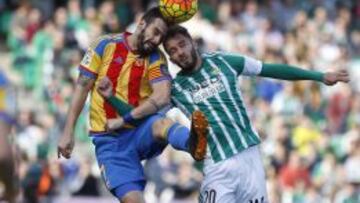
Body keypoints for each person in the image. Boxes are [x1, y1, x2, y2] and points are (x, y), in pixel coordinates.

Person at [104, 25, 350, 203]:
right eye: (172, 51)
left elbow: (271, 69)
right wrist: (111, 97)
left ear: (191, 41)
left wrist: (319, 76)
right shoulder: (174, 88)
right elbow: (143, 115)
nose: (179, 52)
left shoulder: (225, 61)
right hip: (217, 165)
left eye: (181, 45)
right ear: (171, 59)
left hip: (250, 158)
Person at [57, 7, 208, 203]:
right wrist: (68, 131)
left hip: (141, 129)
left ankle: (193, 143)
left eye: (160, 37)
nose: (156, 40)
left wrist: (125, 120)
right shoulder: (104, 45)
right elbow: (82, 87)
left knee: (161, 123)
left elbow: (162, 95)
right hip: (109, 140)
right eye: (155, 32)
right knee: (134, 200)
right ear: (141, 24)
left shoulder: (155, 57)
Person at [0, 71, 18, 203]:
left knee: (4, 155)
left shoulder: (3, 80)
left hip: (3, 118)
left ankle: (10, 188)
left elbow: (9, 112)